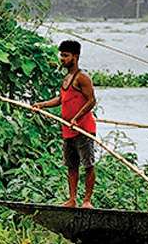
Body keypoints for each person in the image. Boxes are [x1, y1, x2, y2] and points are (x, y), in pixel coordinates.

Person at [31, 40, 98, 208]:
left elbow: (91, 101)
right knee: (71, 166)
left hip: (83, 129)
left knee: (88, 165)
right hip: (68, 130)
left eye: (66, 56)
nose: (62, 59)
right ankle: (72, 199)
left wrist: (76, 118)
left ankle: (87, 201)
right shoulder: (66, 78)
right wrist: (42, 104)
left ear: (75, 57)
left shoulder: (82, 77)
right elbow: (62, 99)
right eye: (61, 55)